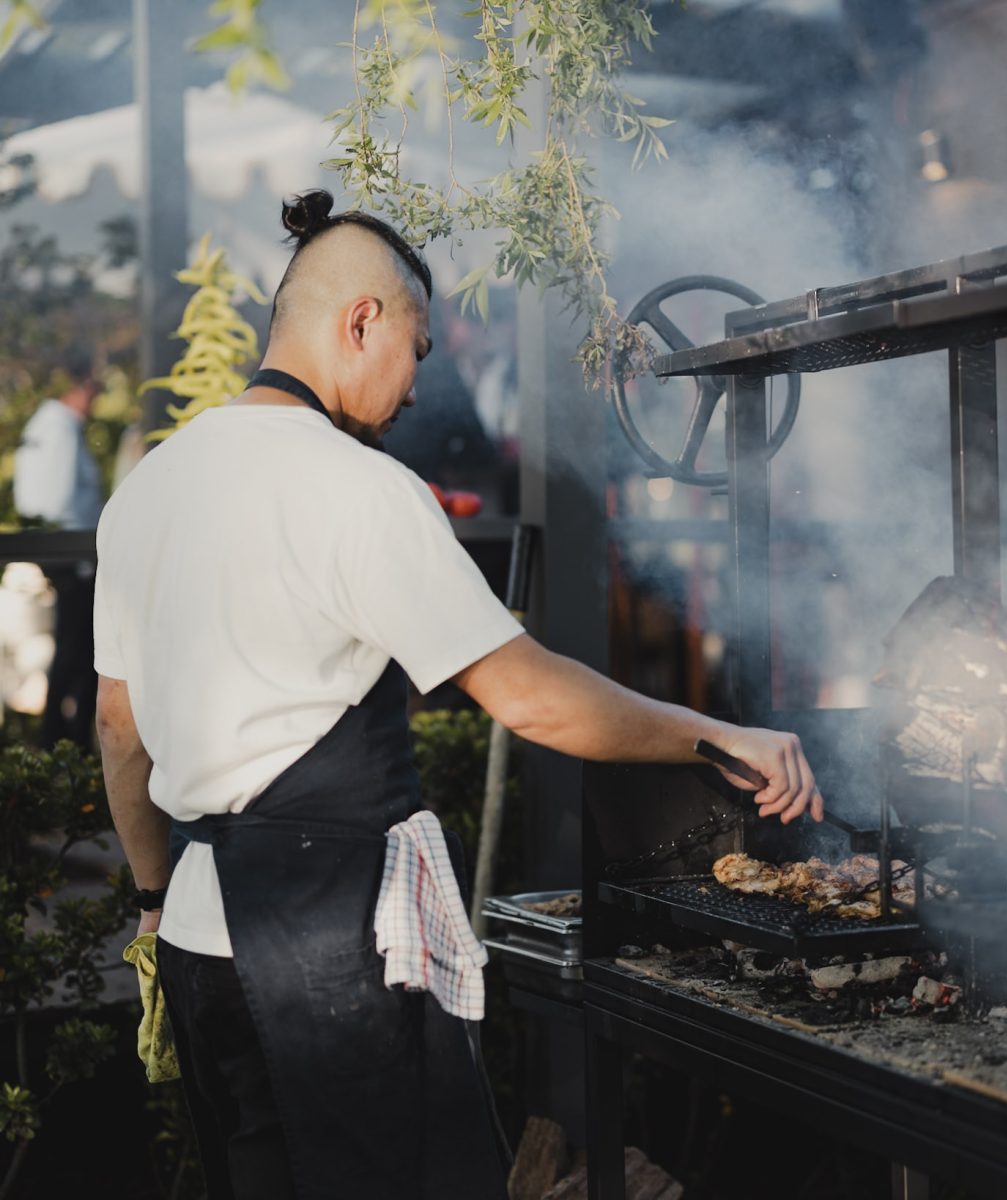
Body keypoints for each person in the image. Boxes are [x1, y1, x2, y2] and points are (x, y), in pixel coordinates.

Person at [94, 189, 822, 1200]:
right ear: (362, 322)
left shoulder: (149, 491)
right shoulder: (357, 490)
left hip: (198, 946)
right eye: (419, 349)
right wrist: (717, 734)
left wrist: (151, 900)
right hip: (331, 955)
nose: (414, 388)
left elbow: (119, 727)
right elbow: (532, 699)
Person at [13, 346, 103, 746]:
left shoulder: (47, 426)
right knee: (76, 654)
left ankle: (63, 744)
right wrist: (82, 564)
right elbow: (56, 500)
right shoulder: (59, 429)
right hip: (73, 561)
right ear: (82, 386)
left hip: (69, 558)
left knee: (76, 653)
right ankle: (63, 747)